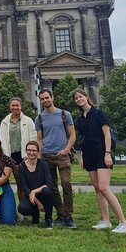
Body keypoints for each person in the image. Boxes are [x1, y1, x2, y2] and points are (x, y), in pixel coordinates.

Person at [73, 88, 126, 233]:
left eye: (80, 96)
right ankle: (106, 221)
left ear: (86, 97)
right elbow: (82, 139)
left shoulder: (99, 113)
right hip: (89, 154)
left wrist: (107, 153)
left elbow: (107, 134)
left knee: (104, 188)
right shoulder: (81, 118)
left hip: (101, 152)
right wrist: (81, 157)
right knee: (97, 188)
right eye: (76, 98)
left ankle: (123, 222)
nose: (79, 99)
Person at [35, 88, 77, 228]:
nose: (45, 100)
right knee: (52, 187)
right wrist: (40, 154)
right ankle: (60, 214)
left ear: (52, 97)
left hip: (62, 155)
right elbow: (39, 139)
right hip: (47, 155)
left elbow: (72, 135)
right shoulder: (39, 118)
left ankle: (68, 215)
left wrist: (66, 149)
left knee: (66, 184)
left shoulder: (65, 114)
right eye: (42, 99)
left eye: (47, 97)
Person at [0, 97, 37, 200]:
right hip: (10, 157)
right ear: (10, 107)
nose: (15, 107)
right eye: (13, 105)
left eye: (17, 105)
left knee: (23, 184)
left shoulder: (28, 121)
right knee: (12, 183)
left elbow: (33, 139)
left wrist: (28, 156)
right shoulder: (5, 122)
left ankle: (26, 208)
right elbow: (2, 140)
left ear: (21, 106)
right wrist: (6, 157)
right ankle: (15, 208)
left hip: (24, 157)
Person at [17, 140, 54, 228]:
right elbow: (25, 187)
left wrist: (34, 191)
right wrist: (38, 203)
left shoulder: (43, 164)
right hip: (30, 196)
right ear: (26, 151)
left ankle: (48, 219)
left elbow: (49, 184)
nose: (31, 152)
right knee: (22, 208)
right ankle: (35, 217)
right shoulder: (21, 166)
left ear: (38, 152)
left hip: (43, 195)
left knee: (47, 191)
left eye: (34, 150)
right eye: (29, 150)